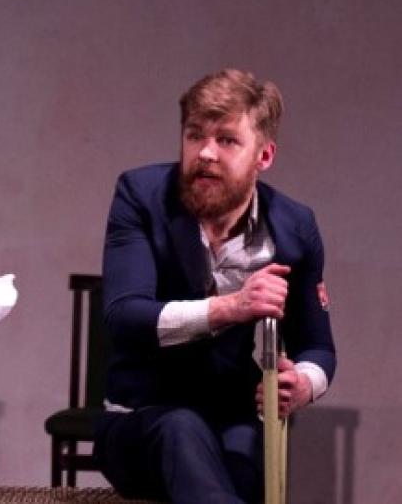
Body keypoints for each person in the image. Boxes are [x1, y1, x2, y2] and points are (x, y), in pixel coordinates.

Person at [93, 69, 336, 503]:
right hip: (140, 420)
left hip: (233, 420)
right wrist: (232, 307)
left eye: (226, 140)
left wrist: (304, 382)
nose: (205, 153)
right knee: (181, 428)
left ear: (264, 156)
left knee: (241, 463)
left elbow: (318, 347)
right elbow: (124, 316)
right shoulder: (141, 196)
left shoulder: (294, 227)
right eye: (194, 136)